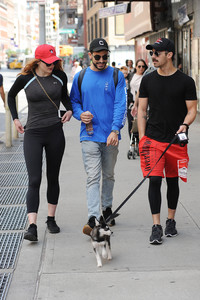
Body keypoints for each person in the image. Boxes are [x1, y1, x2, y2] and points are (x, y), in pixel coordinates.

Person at [8, 44, 73, 242]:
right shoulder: (25, 79)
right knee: (34, 179)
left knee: (53, 177)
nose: (52, 65)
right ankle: (32, 226)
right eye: (48, 62)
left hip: (55, 132)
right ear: (38, 61)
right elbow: (11, 96)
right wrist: (16, 119)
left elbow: (65, 98)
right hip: (33, 134)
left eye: (54, 61)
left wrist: (69, 110)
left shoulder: (60, 77)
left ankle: (51, 219)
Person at [137, 37, 197, 245]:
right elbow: (142, 110)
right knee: (154, 180)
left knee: (172, 181)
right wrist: (143, 138)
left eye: (157, 53)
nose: (153, 57)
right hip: (153, 139)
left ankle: (171, 220)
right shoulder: (148, 80)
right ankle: (156, 225)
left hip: (175, 141)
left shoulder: (186, 82)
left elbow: (192, 110)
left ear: (169, 55)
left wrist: (185, 124)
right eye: (152, 53)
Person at [70, 38, 127, 235]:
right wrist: (80, 114)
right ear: (90, 55)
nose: (102, 60)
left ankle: (107, 208)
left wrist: (115, 129)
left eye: (105, 56)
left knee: (108, 174)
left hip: (110, 135)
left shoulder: (117, 76)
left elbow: (121, 105)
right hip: (89, 135)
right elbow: (74, 103)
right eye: (98, 56)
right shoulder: (81, 77)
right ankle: (93, 217)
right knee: (93, 176)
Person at [127, 59, 147, 137]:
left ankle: (140, 141)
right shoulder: (131, 75)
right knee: (131, 122)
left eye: (143, 66)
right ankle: (132, 143)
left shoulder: (146, 77)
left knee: (140, 123)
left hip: (142, 103)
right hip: (131, 102)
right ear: (136, 67)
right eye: (139, 66)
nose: (141, 68)